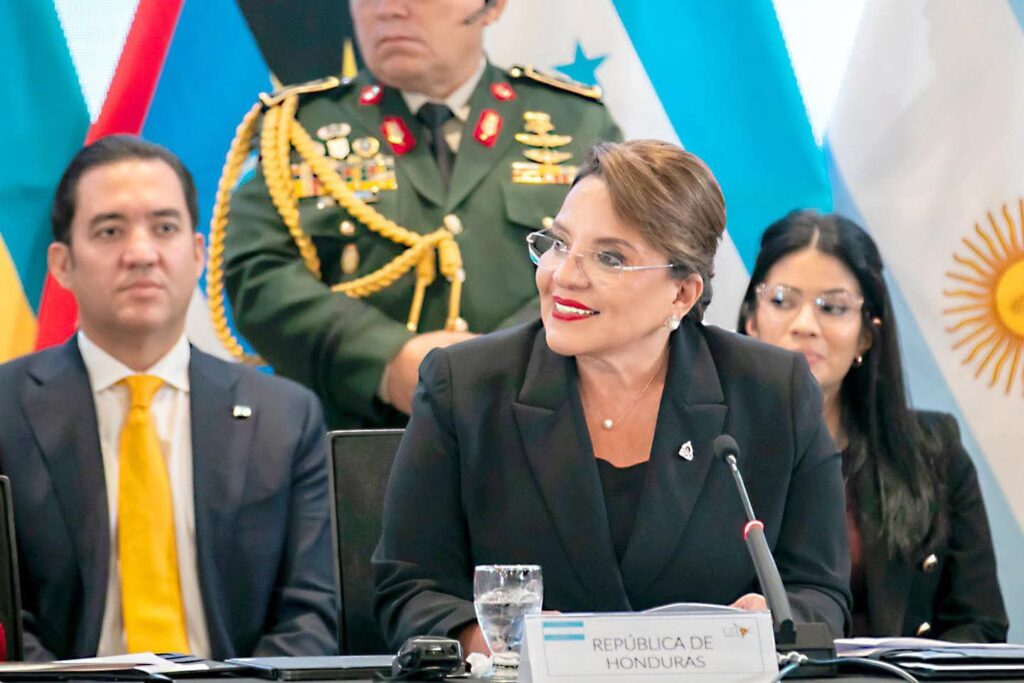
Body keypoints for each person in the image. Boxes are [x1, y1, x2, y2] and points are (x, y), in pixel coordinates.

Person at [372, 140, 851, 653]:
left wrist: (774, 619)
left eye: (609, 258)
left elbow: (820, 595)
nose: (562, 275)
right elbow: (409, 589)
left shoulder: (773, 391)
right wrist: (491, 640)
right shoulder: (465, 387)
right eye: (559, 243)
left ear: (682, 293)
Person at [0, 136, 337, 660]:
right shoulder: (7, 410)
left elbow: (310, 615)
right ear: (62, 264)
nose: (141, 254)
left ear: (198, 254)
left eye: (164, 228)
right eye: (110, 231)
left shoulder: (285, 418)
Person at [216, 0, 622, 429]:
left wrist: (509, 358)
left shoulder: (575, 123)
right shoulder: (298, 128)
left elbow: (619, 264)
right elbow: (257, 274)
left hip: (540, 427)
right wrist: (387, 359)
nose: (389, 8)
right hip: (360, 438)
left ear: (492, 7)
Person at [738, 210, 1008, 641]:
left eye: (833, 307)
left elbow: (980, 626)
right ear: (751, 319)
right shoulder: (711, 451)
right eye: (782, 301)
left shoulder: (934, 452)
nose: (805, 325)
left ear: (866, 334)